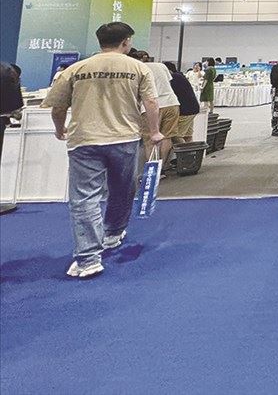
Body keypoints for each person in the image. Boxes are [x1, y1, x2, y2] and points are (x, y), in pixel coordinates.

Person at [42, 22, 164, 279]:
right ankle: (113, 233)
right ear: (126, 41)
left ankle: (88, 258)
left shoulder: (76, 69)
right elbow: (151, 102)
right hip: (124, 138)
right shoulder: (138, 68)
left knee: (85, 198)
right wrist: (154, 132)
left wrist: (59, 128)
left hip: (84, 140)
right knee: (122, 189)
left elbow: (58, 106)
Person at [135, 52, 180, 170]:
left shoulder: (138, 68)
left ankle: (152, 170)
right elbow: (169, 82)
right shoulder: (161, 66)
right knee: (167, 136)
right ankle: (162, 166)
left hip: (150, 106)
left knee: (149, 139)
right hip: (171, 102)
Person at [164, 62, 199, 147]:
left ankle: (184, 152)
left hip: (185, 111)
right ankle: (191, 153)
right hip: (193, 108)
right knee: (187, 136)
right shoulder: (180, 76)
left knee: (176, 136)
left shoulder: (173, 78)